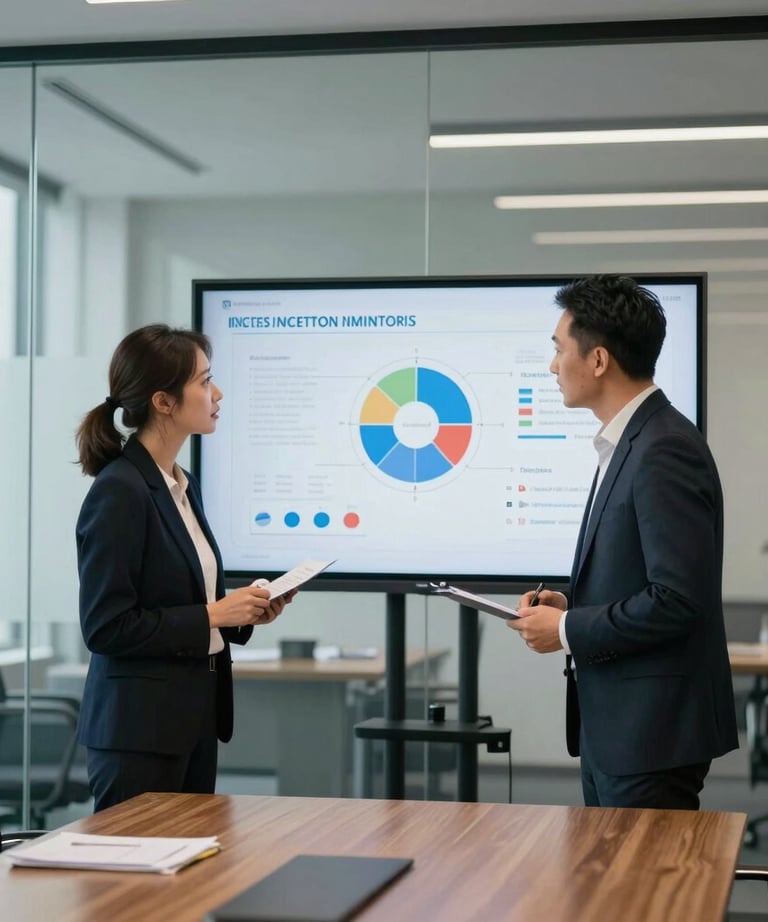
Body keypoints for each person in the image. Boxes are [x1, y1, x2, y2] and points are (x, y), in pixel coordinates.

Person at [507, 275, 738, 809]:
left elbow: (678, 600)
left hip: (651, 735)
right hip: (623, 732)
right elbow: (646, 578)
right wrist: (572, 606)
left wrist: (566, 629)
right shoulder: (634, 440)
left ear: (598, 360)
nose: (551, 366)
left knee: (640, 893)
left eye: (558, 349)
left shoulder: (663, 449)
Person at [75, 323, 295, 811]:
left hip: (192, 721)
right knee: (133, 885)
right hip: (138, 733)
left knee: (194, 877)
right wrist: (215, 614)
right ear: (164, 402)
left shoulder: (180, 483)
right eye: (203, 381)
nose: (216, 393)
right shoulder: (120, 490)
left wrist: (247, 610)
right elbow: (106, 627)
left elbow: (183, 594)